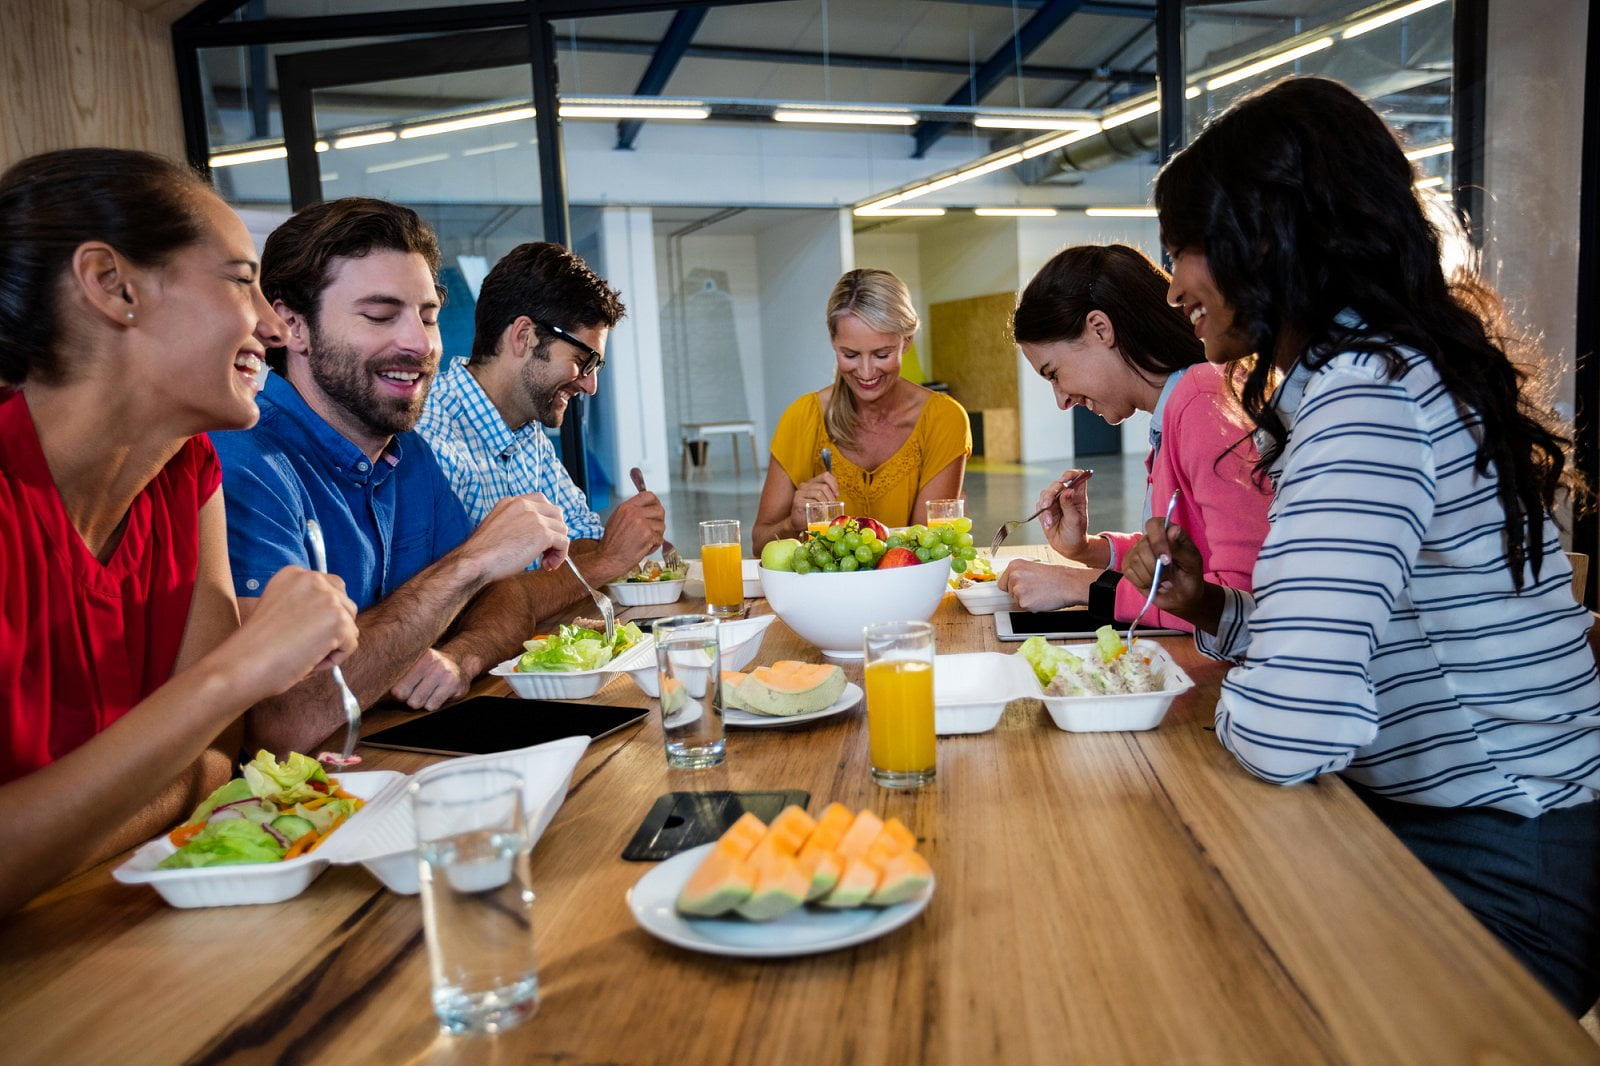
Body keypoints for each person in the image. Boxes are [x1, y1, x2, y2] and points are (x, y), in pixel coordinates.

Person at [1130, 76, 1600, 1014]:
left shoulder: (1368, 400)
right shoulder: (1392, 368)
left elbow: (1290, 729)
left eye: (1183, 247)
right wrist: (1218, 611)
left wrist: (1259, 698)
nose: (1174, 282)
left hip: (1503, 869)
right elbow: (1377, 638)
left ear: (1265, 237)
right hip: (1473, 829)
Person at [0, 148, 360, 915]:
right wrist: (240, 669)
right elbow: (201, 752)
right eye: (241, 281)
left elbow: (216, 755)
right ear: (112, 286)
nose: (271, 324)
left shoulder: (187, 472)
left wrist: (57, 835)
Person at [212, 198, 570, 750]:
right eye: (380, 316)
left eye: (427, 316)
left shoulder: (411, 457)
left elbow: (503, 599)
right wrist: (468, 563)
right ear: (293, 327)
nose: (420, 343)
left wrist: (459, 656)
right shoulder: (244, 463)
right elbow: (286, 721)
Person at [997, 245, 1269, 630]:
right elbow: (1183, 561)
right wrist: (1090, 550)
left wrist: (1082, 586)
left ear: (1100, 329)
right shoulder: (1181, 405)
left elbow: (1239, 603)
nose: (1061, 400)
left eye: (1054, 373)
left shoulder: (1203, 403)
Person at [415, 241, 665, 604]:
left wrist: (616, 544)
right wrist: (609, 558)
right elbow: (465, 606)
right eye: (582, 360)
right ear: (524, 336)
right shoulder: (430, 439)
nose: (590, 386)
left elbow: (580, 540)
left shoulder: (527, 432)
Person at [754, 268, 970, 548]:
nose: (866, 373)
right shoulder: (802, 417)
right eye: (850, 354)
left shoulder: (945, 419)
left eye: (882, 354)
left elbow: (922, 549)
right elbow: (759, 543)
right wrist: (792, 524)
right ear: (833, 341)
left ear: (906, 341)